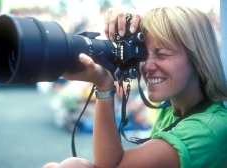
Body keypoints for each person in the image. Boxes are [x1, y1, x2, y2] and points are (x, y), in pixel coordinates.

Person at [43, 6, 227, 168]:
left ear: (198, 58)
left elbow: (112, 166)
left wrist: (104, 85)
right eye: (142, 54)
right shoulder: (175, 105)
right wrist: (128, 25)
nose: (146, 66)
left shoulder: (207, 130)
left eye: (162, 54)